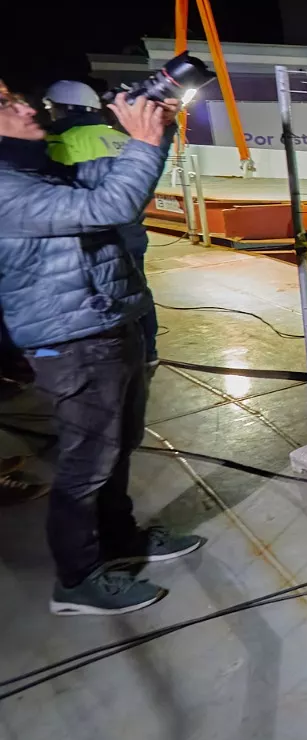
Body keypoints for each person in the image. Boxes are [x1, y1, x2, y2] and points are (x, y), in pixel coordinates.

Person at [0, 80, 203, 616]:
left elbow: (118, 188)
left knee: (118, 445)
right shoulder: (5, 188)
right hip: (74, 340)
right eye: (4, 103)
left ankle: (121, 538)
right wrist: (139, 140)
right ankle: (77, 579)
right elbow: (111, 206)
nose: (24, 104)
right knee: (86, 463)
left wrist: (154, 130)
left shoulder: (36, 169)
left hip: (110, 324)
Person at [42, 79, 159, 368]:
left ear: (59, 110)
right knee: (137, 290)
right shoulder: (122, 137)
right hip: (131, 231)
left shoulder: (55, 144)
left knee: (92, 302)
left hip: (89, 240)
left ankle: (109, 361)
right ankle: (149, 352)